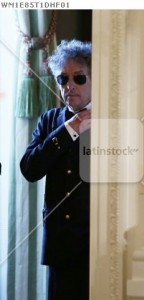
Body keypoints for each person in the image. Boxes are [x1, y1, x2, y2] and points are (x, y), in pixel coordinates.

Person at [20, 39, 91, 300]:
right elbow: (29, 169)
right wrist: (69, 129)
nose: (69, 85)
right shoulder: (49, 120)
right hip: (59, 245)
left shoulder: (112, 120)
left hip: (96, 245)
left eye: (79, 78)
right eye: (63, 79)